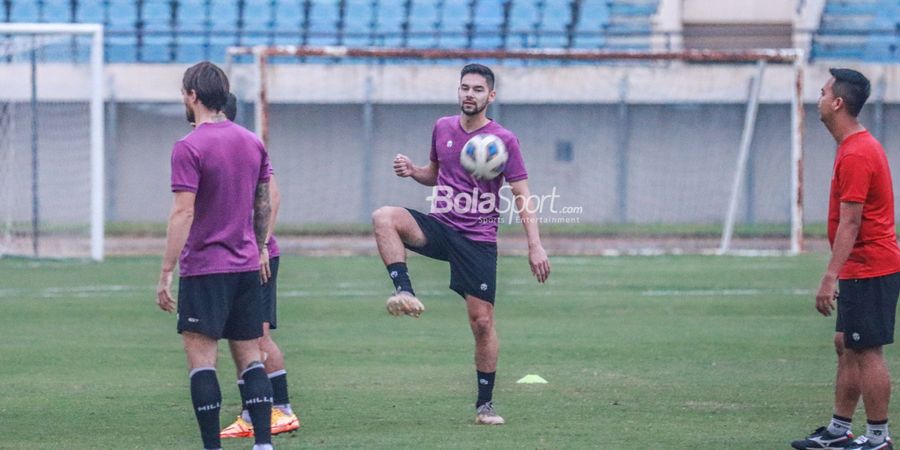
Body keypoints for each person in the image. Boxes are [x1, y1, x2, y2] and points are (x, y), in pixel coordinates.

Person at [371, 63, 551, 425]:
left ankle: (485, 405)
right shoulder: (442, 127)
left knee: (482, 322)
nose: (470, 94)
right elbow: (434, 175)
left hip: (478, 239)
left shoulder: (504, 140)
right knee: (383, 217)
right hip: (441, 225)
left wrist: (535, 245)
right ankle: (404, 291)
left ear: (491, 96)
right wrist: (413, 171)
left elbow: (522, 194)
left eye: (478, 89)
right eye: (465, 88)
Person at [156, 62, 275, 450]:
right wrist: (258, 249)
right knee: (251, 358)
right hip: (245, 266)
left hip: (205, 268)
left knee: (202, 361)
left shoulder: (188, 146)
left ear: (192, 96)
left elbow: (183, 212)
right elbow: (263, 204)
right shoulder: (251, 141)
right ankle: (262, 444)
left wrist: (166, 270)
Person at [791, 68, 900, 450]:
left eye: (822, 93)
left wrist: (829, 276)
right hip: (864, 266)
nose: (818, 99)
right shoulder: (854, 146)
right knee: (846, 342)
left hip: (871, 266)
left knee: (866, 350)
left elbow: (851, 223)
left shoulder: (856, 152)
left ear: (837, 103)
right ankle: (839, 430)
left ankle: (878, 437)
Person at [218, 93, 300, 439]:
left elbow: (273, 196)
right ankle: (253, 413)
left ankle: (280, 410)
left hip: (254, 255)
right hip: (234, 256)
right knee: (242, 336)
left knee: (256, 335)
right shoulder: (219, 146)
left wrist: (261, 244)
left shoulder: (246, 145)